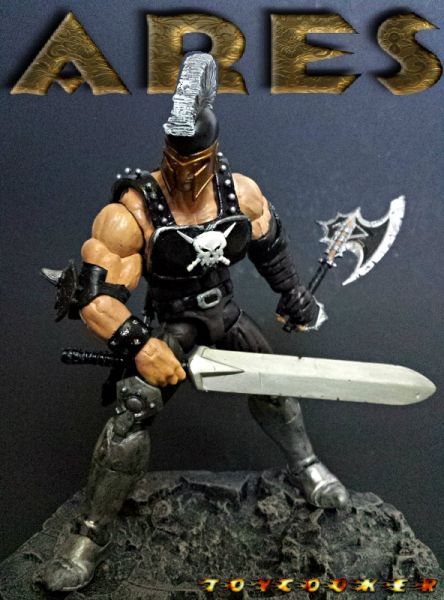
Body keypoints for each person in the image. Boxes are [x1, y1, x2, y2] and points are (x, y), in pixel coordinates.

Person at [41, 52, 348, 593]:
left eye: (196, 160)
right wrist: (141, 345)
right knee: (133, 410)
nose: (185, 172)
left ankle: (307, 466)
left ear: (213, 153)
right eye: (176, 158)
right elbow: (95, 300)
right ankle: (89, 534)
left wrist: (294, 297)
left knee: (275, 385)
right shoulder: (132, 213)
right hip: (171, 322)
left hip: (225, 313)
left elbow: (270, 248)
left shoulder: (240, 193)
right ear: (166, 152)